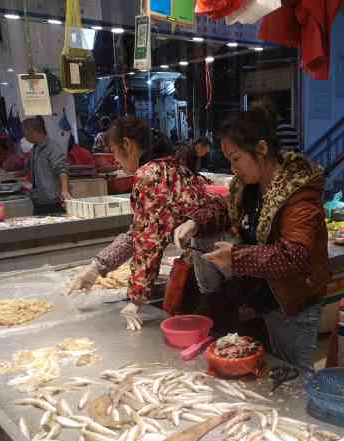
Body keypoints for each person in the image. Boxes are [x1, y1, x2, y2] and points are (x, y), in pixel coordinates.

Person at [174, 109, 330, 377]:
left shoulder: (299, 195)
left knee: (294, 374)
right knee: (270, 370)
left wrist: (236, 258)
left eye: (236, 159)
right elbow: (226, 211)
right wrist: (194, 223)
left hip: (293, 301)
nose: (233, 169)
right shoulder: (248, 187)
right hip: (262, 297)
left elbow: (293, 257)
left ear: (261, 149)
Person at [67, 116, 225, 330]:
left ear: (127, 145)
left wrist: (136, 300)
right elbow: (140, 232)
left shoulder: (150, 175)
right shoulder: (171, 167)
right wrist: (96, 267)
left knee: (215, 324)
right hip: (217, 260)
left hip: (214, 264)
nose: (115, 161)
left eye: (113, 152)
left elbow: (148, 243)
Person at [21, 117, 71, 215]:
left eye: (25, 133)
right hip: (39, 199)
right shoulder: (35, 149)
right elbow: (28, 169)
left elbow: (62, 170)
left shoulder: (52, 148)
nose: (24, 136)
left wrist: (64, 191)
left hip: (53, 201)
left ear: (33, 131)